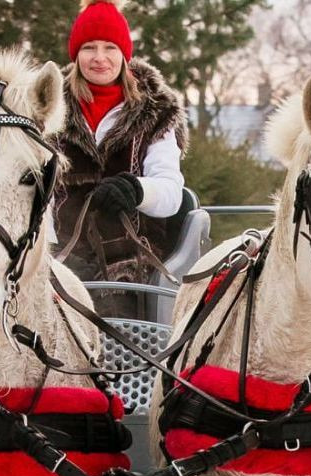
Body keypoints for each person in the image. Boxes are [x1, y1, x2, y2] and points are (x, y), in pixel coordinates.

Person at [52, 0, 188, 318]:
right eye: (89, 47)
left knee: (112, 309)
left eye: (109, 47)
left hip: (130, 252)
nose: (99, 58)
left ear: (124, 54)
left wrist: (137, 190)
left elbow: (171, 191)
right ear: (76, 53)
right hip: (60, 250)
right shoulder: (48, 108)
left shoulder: (156, 111)